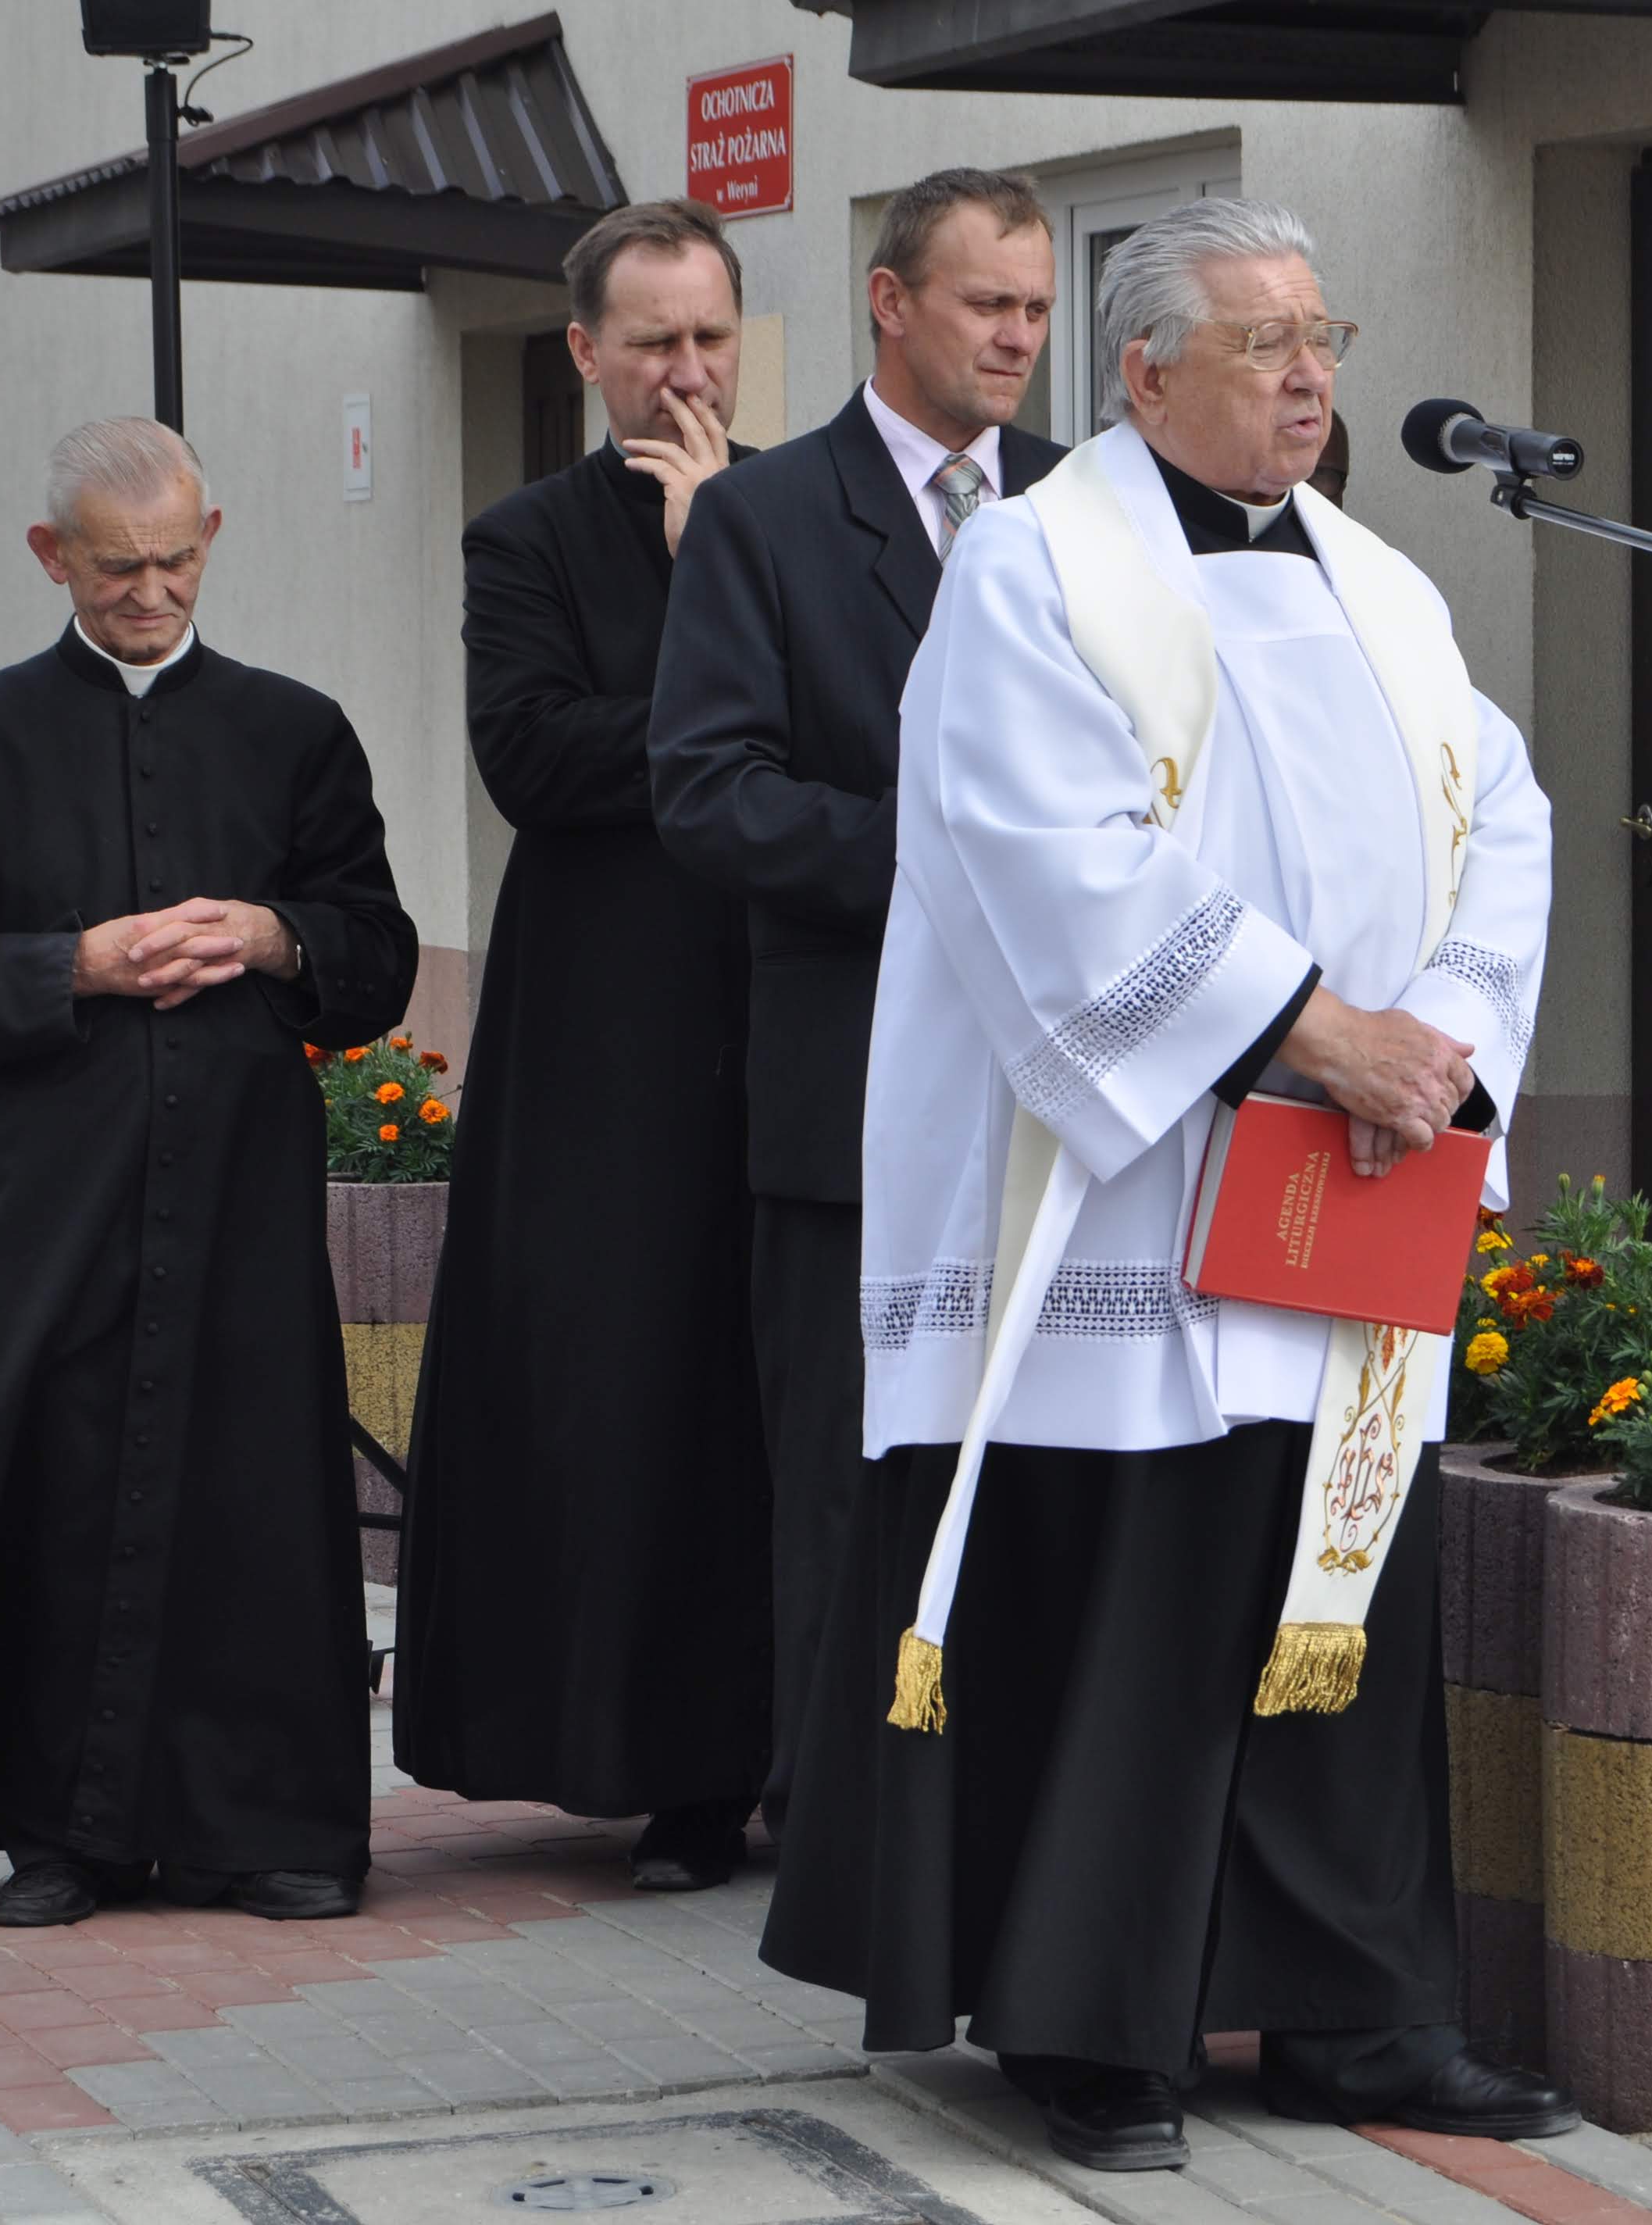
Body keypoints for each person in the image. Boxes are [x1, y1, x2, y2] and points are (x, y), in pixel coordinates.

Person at [759, 198, 1572, 2173]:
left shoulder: (1384, 582)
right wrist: (1314, 1031)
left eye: (1322, 336)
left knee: (1331, 1597)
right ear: (1140, 370)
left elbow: (1503, 815)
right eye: (1263, 341)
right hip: (1119, 1188)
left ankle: (1351, 2006)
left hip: (1349, 1171)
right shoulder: (1035, 568)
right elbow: (1050, 852)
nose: (1308, 376)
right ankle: (1086, 2016)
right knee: (1135, 1587)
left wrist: (1438, 1038)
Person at [0, 419, 418, 1926]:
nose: (152, 593)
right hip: (44, 1200)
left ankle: (269, 1829)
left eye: (177, 559)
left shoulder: (294, 729)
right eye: (118, 568)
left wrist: (269, 934)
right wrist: (81, 963)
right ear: (53, 557)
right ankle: (63, 1840)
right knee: (54, 1494)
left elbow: (373, 960)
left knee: (253, 1502)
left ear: (211, 536)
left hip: (238, 1190)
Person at [651, 167, 1064, 1833]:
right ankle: (843, 1844)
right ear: (890, 304)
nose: (1021, 338)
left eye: (1037, 308)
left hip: (1062, 1102)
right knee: (849, 1479)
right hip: (851, 1104)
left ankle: (1014, 1820)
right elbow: (705, 791)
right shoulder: (763, 518)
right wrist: (943, 858)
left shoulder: (1081, 503)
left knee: (1041, 1485)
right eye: (989, 304)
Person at [391, 199, 773, 1894]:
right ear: (584, 352)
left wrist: (739, 567)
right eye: (651, 345)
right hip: (607, 1022)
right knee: (627, 1379)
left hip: (789, 998)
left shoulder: (807, 510)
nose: (684, 375)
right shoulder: (526, 539)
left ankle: (792, 1748)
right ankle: (661, 1763)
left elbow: (883, 726)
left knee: (772, 1388)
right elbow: (537, 760)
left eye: (709, 339)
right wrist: (709, 602)